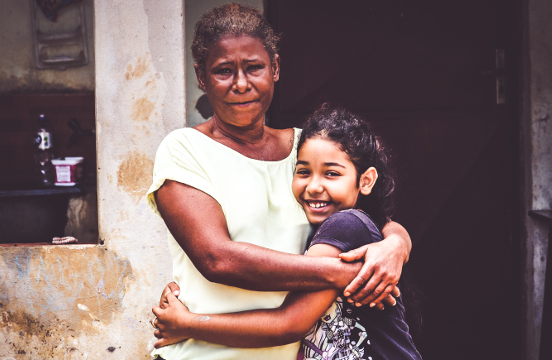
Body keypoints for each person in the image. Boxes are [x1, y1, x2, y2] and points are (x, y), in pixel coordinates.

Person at [146, 4, 411, 360]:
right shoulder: (185, 150)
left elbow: (371, 218)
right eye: (224, 71)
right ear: (201, 76)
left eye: (253, 67)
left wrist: (396, 247)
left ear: (275, 67)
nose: (241, 84)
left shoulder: (306, 152)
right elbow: (217, 258)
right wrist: (343, 272)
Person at [152, 105, 422, 360]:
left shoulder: (345, 226)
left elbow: (288, 324)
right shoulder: (338, 227)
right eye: (303, 171)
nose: (314, 186)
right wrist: (393, 245)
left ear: (366, 181)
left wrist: (188, 324)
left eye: (331, 174)